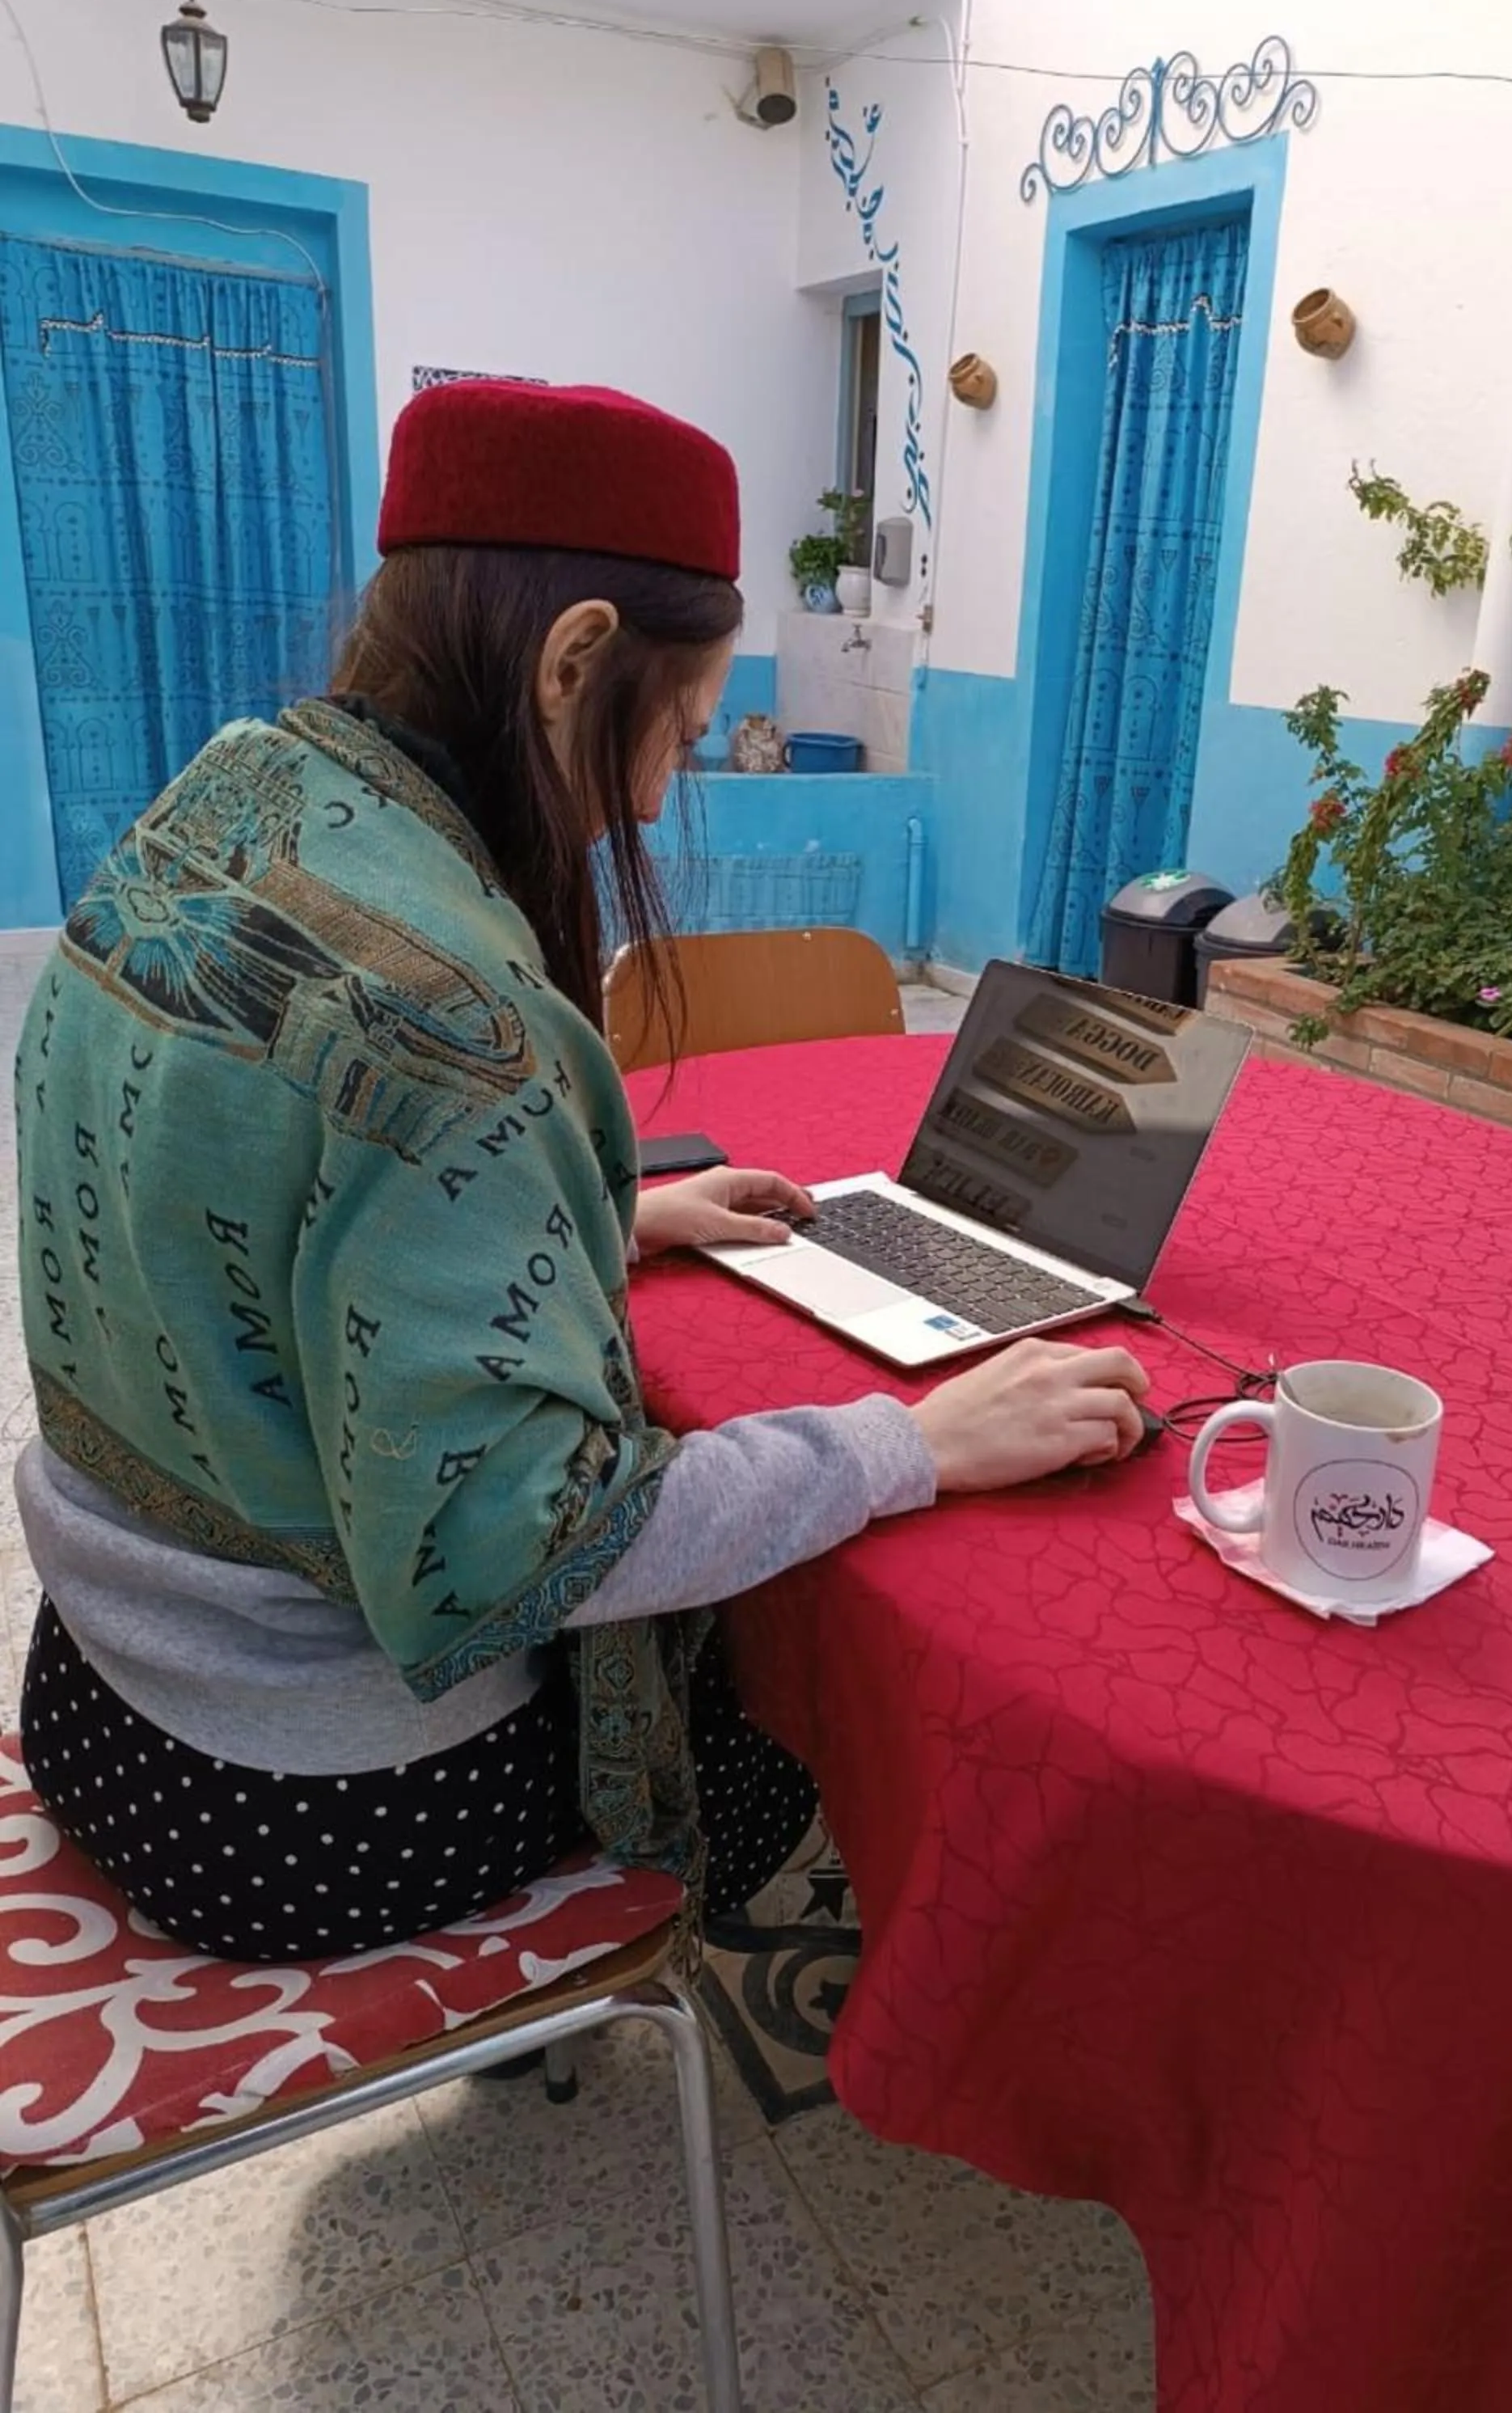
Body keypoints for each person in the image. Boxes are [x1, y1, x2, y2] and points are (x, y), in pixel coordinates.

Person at [11, 379, 1148, 1962]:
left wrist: (598, 1219)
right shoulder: (452, 1021)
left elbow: (258, 1216)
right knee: (785, 1685)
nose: (660, 795)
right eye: (675, 733)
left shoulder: (232, 800)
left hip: (99, 1689)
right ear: (570, 662)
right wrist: (911, 1444)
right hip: (299, 1799)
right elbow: (521, 1548)